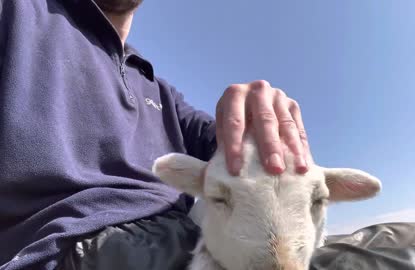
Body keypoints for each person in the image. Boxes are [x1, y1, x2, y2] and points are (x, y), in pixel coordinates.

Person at [0, 1, 311, 269]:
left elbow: (227, 146)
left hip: (186, 238)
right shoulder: (19, 11)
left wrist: (252, 124)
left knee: (350, 255)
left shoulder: (160, 90)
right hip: (75, 249)